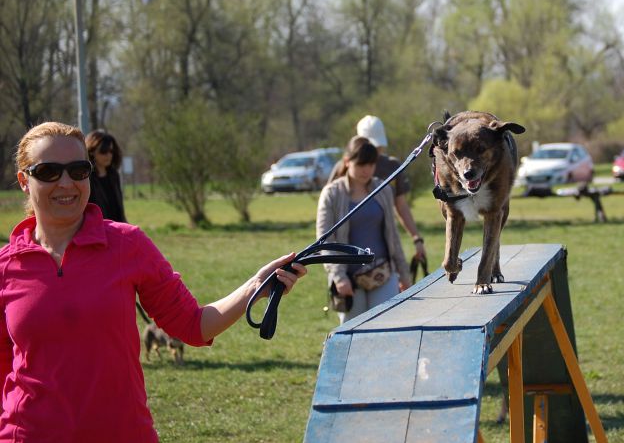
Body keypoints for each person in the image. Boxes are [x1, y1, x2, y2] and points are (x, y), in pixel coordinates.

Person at [0, 121, 306, 443]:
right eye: (49, 172)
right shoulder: (6, 267)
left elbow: (193, 323)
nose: (66, 183)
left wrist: (256, 285)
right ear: (24, 181)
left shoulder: (127, 245)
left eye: (78, 170)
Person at [318, 136, 411, 324]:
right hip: (350, 280)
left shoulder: (383, 189)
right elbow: (324, 240)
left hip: (384, 274)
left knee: (387, 327)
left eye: (371, 164)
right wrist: (339, 277)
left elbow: (393, 236)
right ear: (347, 161)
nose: (366, 170)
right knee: (353, 334)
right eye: (361, 164)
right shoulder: (332, 193)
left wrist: (404, 274)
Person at [355, 115, 427, 262]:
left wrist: (416, 238)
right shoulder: (346, 168)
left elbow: (401, 206)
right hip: (354, 246)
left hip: (387, 243)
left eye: (377, 146)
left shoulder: (392, 166)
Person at [85, 129, 127, 223]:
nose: (108, 155)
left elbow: (120, 208)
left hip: (116, 228)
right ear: (91, 151)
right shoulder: (86, 178)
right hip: (97, 230)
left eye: (111, 151)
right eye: (103, 151)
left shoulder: (114, 175)